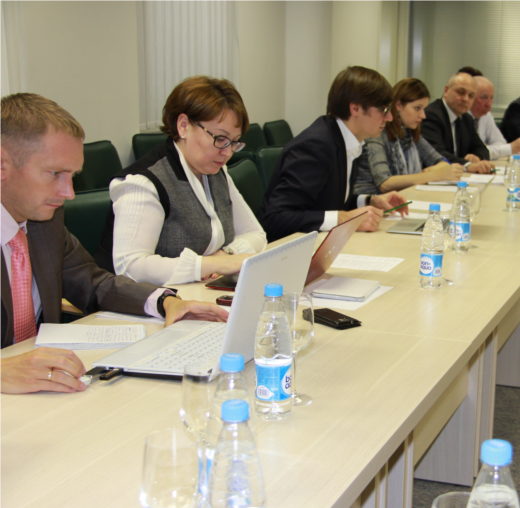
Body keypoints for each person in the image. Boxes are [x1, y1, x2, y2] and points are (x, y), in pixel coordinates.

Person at [0, 93, 229, 394]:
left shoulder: (44, 222)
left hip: (41, 388)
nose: (69, 193)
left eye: (72, 176)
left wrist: (166, 302)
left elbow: (94, 283)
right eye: (55, 173)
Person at [94, 76, 267, 285]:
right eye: (220, 139)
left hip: (191, 293)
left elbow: (256, 234)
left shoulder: (217, 171)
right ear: (183, 126)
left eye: (234, 142)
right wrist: (209, 265)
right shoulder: (143, 183)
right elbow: (131, 267)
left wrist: (226, 255)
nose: (227, 152)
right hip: (136, 301)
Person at [258, 66, 409, 242]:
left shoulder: (344, 138)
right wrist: (345, 219)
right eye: (383, 109)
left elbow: (327, 199)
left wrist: (369, 201)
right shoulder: (315, 146)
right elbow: (276, 218)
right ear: (355, 108)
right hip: (289, 249)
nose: (389, 117)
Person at [353, 78, 463, 195]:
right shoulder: (377, 132)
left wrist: (429, 173)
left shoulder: (410, 134)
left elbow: (443, 163)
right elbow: (384, 183)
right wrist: (433, 175)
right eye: (417, 108)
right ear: (398, 105)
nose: (423, 115)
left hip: (401, 197)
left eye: (424, 109)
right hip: (370, 201)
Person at [420, 72, 494, 174]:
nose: (466, 99)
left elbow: (481, 148)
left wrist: (477, 157)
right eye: (461, 92)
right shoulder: (431, 115)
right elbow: (437, 154)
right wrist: (468, 165)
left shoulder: (466, 119)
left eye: (471, 95)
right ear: (446, 90)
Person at [469, 75, 520, 160]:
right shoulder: (461, 117)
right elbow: (472, 152)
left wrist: (486, 149)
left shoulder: (486, 115)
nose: (489, 104)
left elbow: (500, 142)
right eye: (484, 97)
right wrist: (510, 148)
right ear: (470, 96)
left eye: (491, 98)